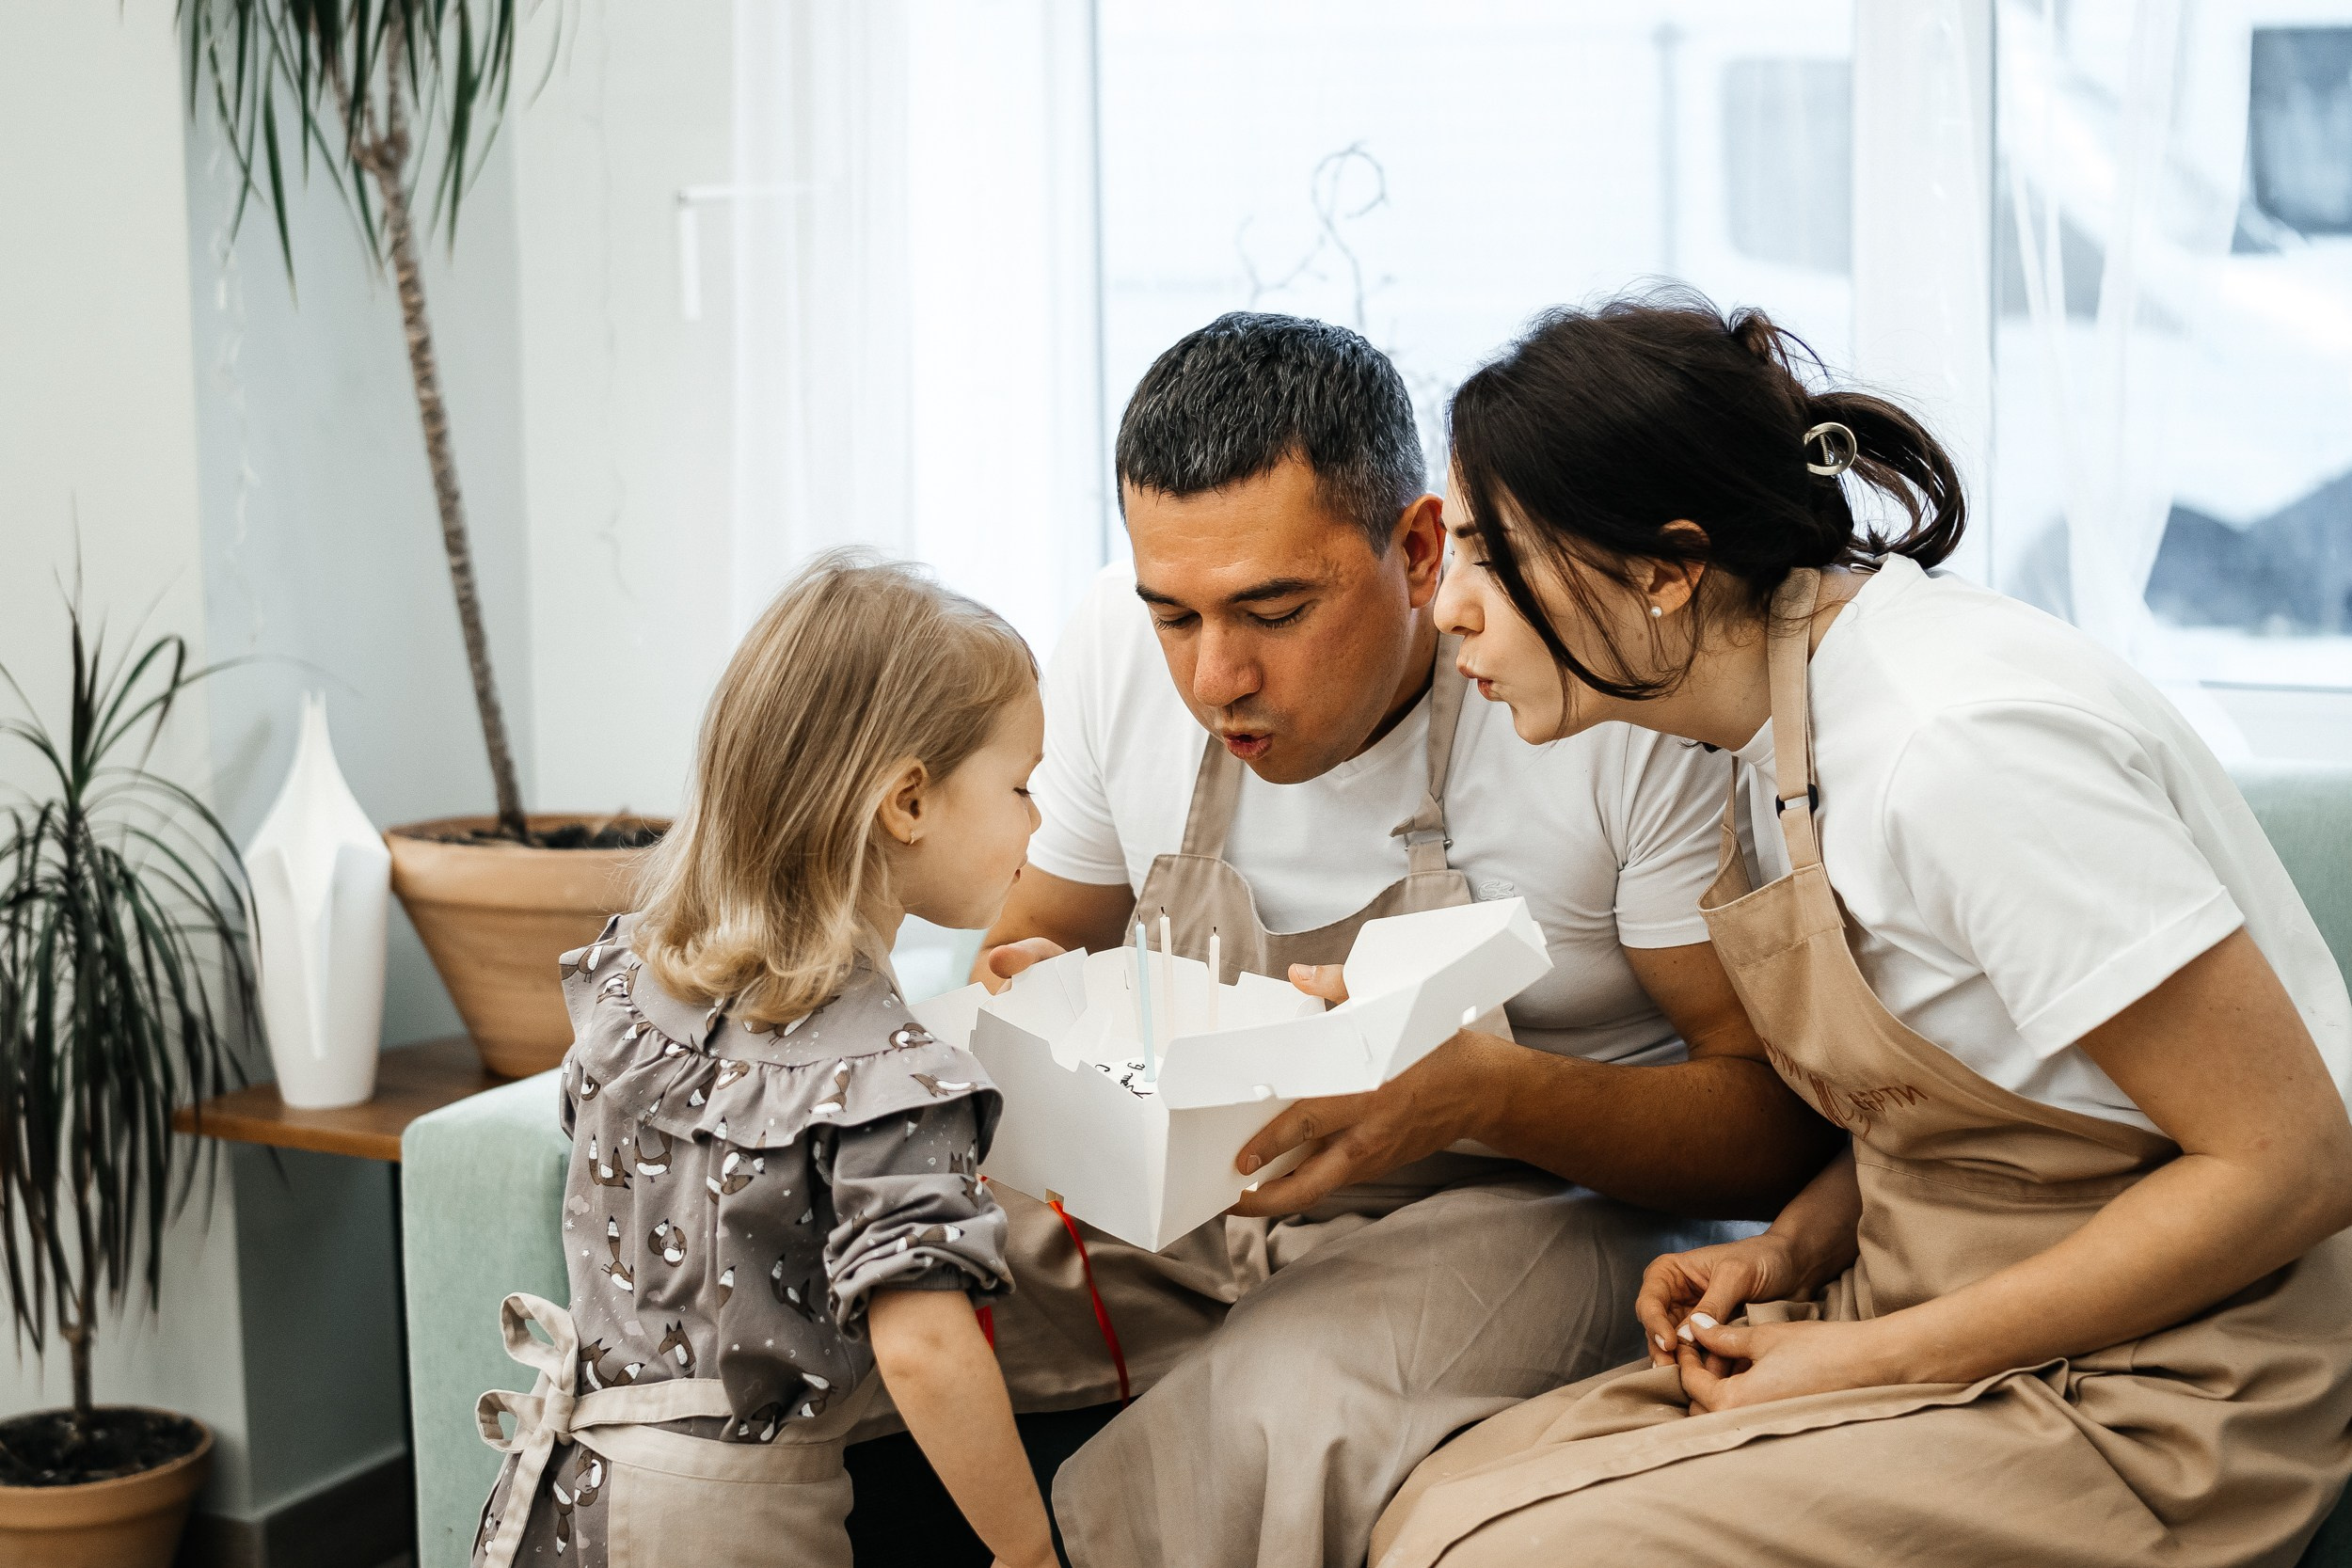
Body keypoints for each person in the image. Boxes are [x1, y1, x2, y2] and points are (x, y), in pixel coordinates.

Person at [1370, 293, 2352, 1568]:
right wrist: (1786, 1253)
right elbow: (1966, 1106)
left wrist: (1865, 1355)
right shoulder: (1760, 724)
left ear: (1667, 569)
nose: (1446, 609)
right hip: (1925, 1296)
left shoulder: (1958, 746)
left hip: (2166, 1382)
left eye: (1494, 559)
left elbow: (2292, 1161)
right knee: (1428, 1506)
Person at [974, 312, 1845, 1568]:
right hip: (1204, 1189)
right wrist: (1048, 1009)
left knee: (1281, 1406)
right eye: (1178, 615)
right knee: (897, 1276)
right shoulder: (1118, 637)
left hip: (1541, 1199)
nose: (1216, 677)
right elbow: (1030, 945)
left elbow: (1774, 1119)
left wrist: (1482, 1093)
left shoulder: (1597, 694)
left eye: (1274, 609)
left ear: (1422, 548)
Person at [469, 554, 1058, 1568]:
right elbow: (921, 1344)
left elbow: (726, 1169)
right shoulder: (884, 1075)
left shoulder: (638, 991)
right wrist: (1025, 1546)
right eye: (1020, 785)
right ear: (907, 801)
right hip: (733, 1520)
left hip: (579, 1496)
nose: (1037, 821)